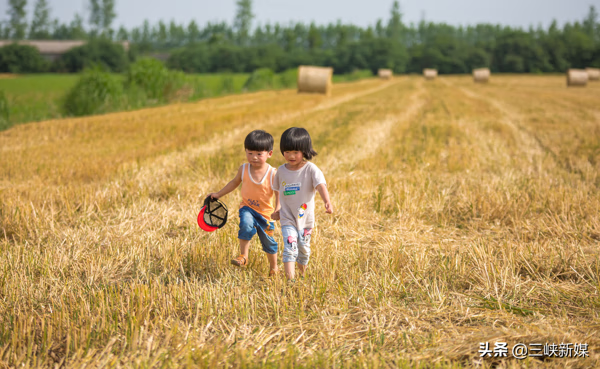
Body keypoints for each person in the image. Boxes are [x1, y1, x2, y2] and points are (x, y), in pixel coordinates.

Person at [208, 130, 280, 276]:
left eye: (259, 154)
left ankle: (274, 268)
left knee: (269, 243)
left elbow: (279, 193)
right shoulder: (244, 169)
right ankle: (244, 256)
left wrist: (278, 209)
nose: (253, 157)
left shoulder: (273, 173)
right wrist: (218, 194)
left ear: (269, 154)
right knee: (246, 225)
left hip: (266, 214)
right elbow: (234, 183)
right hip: (247, 208)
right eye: (250, 153)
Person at [272, 127, 333, 282]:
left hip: (305, 219)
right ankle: (290, 281)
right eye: (287, 152)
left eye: (295, 152)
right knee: (290, 247)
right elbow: (278, 191)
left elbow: (320, 185)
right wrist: (277, 208)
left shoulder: (311, 169)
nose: (291, 156)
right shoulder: (281, 171)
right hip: (287, 218)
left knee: (303, 250)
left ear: (304, 150)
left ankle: (302, 274)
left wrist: (327, 202)